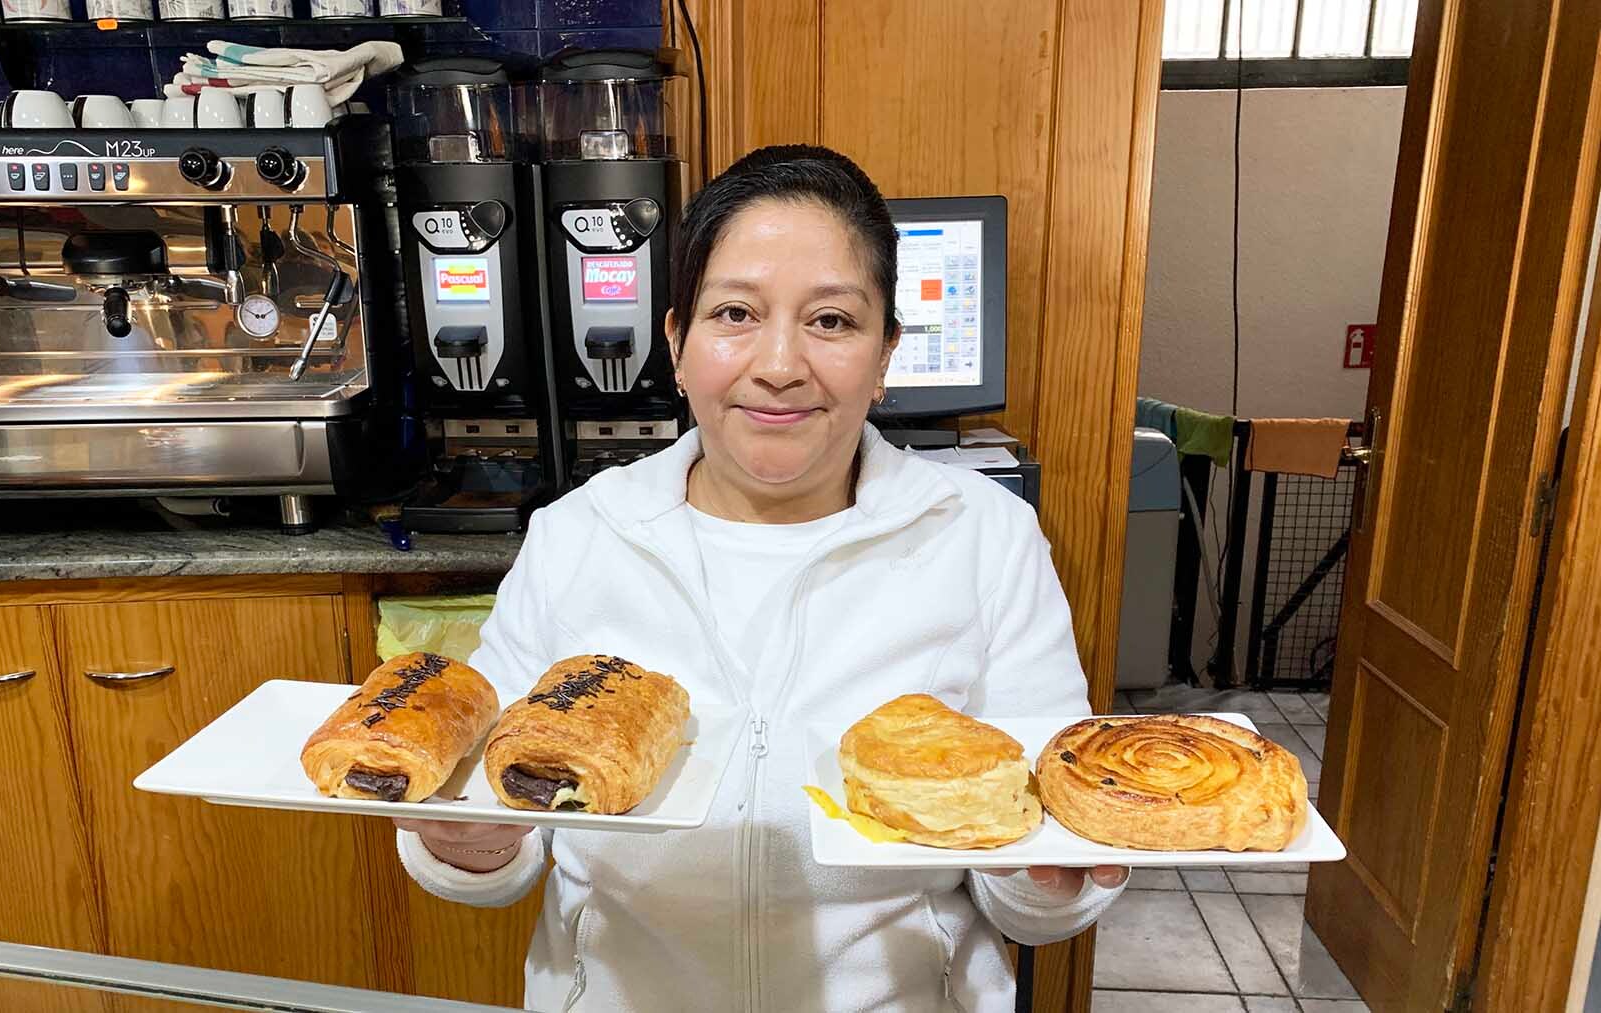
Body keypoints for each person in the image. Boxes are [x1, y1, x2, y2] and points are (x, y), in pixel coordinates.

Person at [394, 144, 1127, 1012]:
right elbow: (497, 846)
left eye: (831, 321)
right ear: (676, 339)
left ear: (886, 350)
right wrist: (464, 841)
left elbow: (1042, 894)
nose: (779, 365)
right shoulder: (578, 534)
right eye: (735, 312)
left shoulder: (984, 537)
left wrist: (1048, 872)